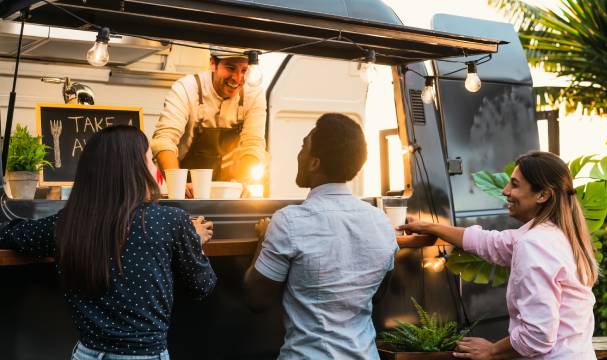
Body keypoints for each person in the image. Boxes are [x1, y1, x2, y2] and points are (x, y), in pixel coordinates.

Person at [0, 125, 217, 360]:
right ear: (134, 169)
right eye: (151, 159)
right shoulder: (171, 220)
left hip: (86, 354)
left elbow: (9, 234)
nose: (155, 168)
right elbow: (202, 286)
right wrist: (193, 241)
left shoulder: (65, 223)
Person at [400, 151, 598, 359]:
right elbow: (489, 243)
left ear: (543, 195)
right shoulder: (558, 234)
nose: (505, 191)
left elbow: (538, 336)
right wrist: (430, 226)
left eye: (514, 184)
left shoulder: (534, 244)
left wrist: (492, 350)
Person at [243, 113, 399, 359]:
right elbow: (378, 295)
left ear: (314, 163)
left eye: (303, 146)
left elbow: (256, 299)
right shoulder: (382, 222)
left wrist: (264, 237)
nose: (299, 154)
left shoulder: (289, 221)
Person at [150, 48, 267, 196]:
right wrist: (178, 187)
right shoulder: (187, 87)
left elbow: (253, 144)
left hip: (230, 189)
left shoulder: (254, 94)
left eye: (244, 70)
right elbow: (164, 140)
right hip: (186, 188)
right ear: (213, 63)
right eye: (230, 68)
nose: (237, 78)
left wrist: (242, 181)